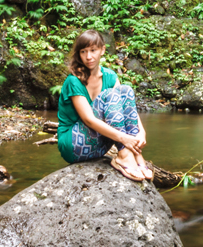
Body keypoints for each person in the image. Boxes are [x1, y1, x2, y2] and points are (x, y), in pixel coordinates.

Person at [56, 30, 151, 180]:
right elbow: (88, 119)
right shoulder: (73, 80)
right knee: (111, 94)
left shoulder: (110, 76)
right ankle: (124, 155)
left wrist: (141, 132)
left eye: (93, 50)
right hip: (74, 145)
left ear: (102, 50)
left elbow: (126, 106)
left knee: (125, 90)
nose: (89, 56)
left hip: (100, 145)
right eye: (83, 51)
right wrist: (123, 138)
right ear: (79, 54)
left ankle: (136, 153)